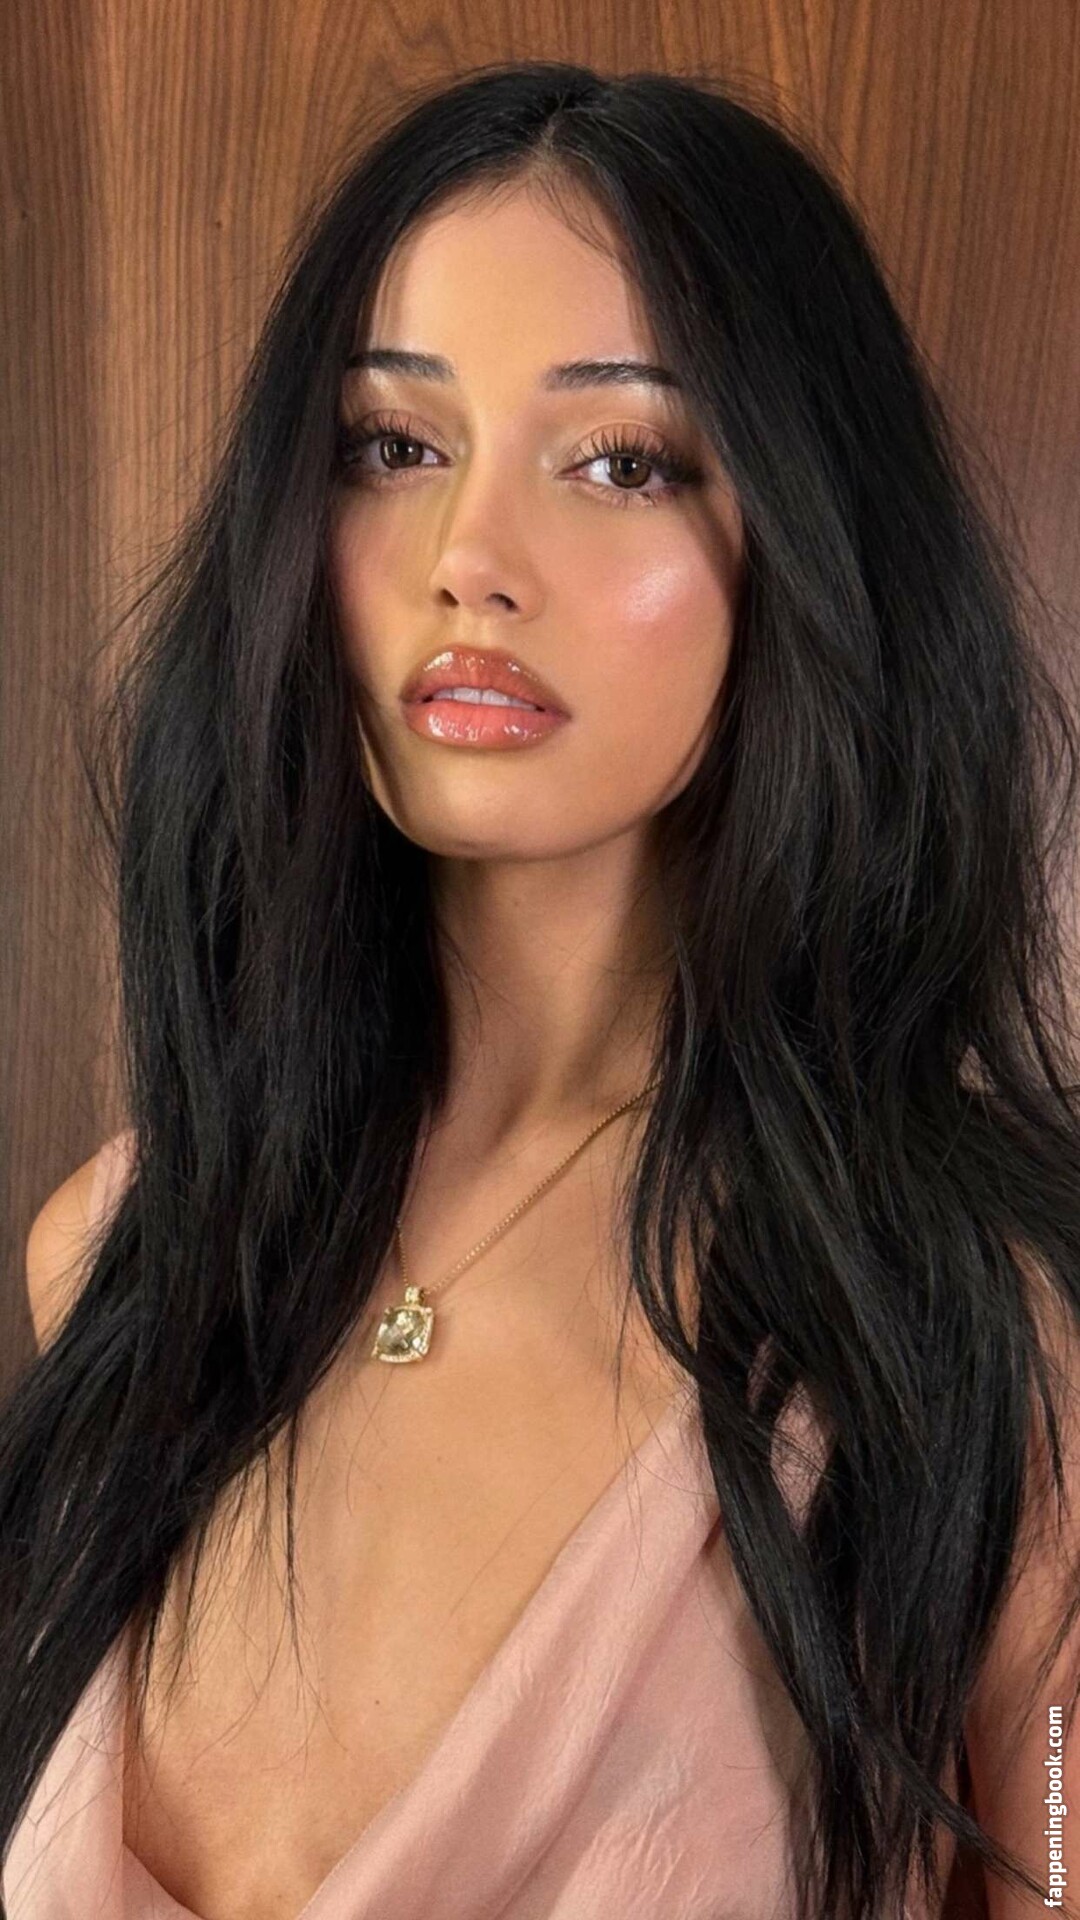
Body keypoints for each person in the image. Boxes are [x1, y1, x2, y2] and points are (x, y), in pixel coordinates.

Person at [4, 58, 1080, 1920]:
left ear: (810, 544)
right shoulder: (126, 1253)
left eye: (623, 461)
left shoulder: (986, 1341)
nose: (471, 565)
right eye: (393, 446)